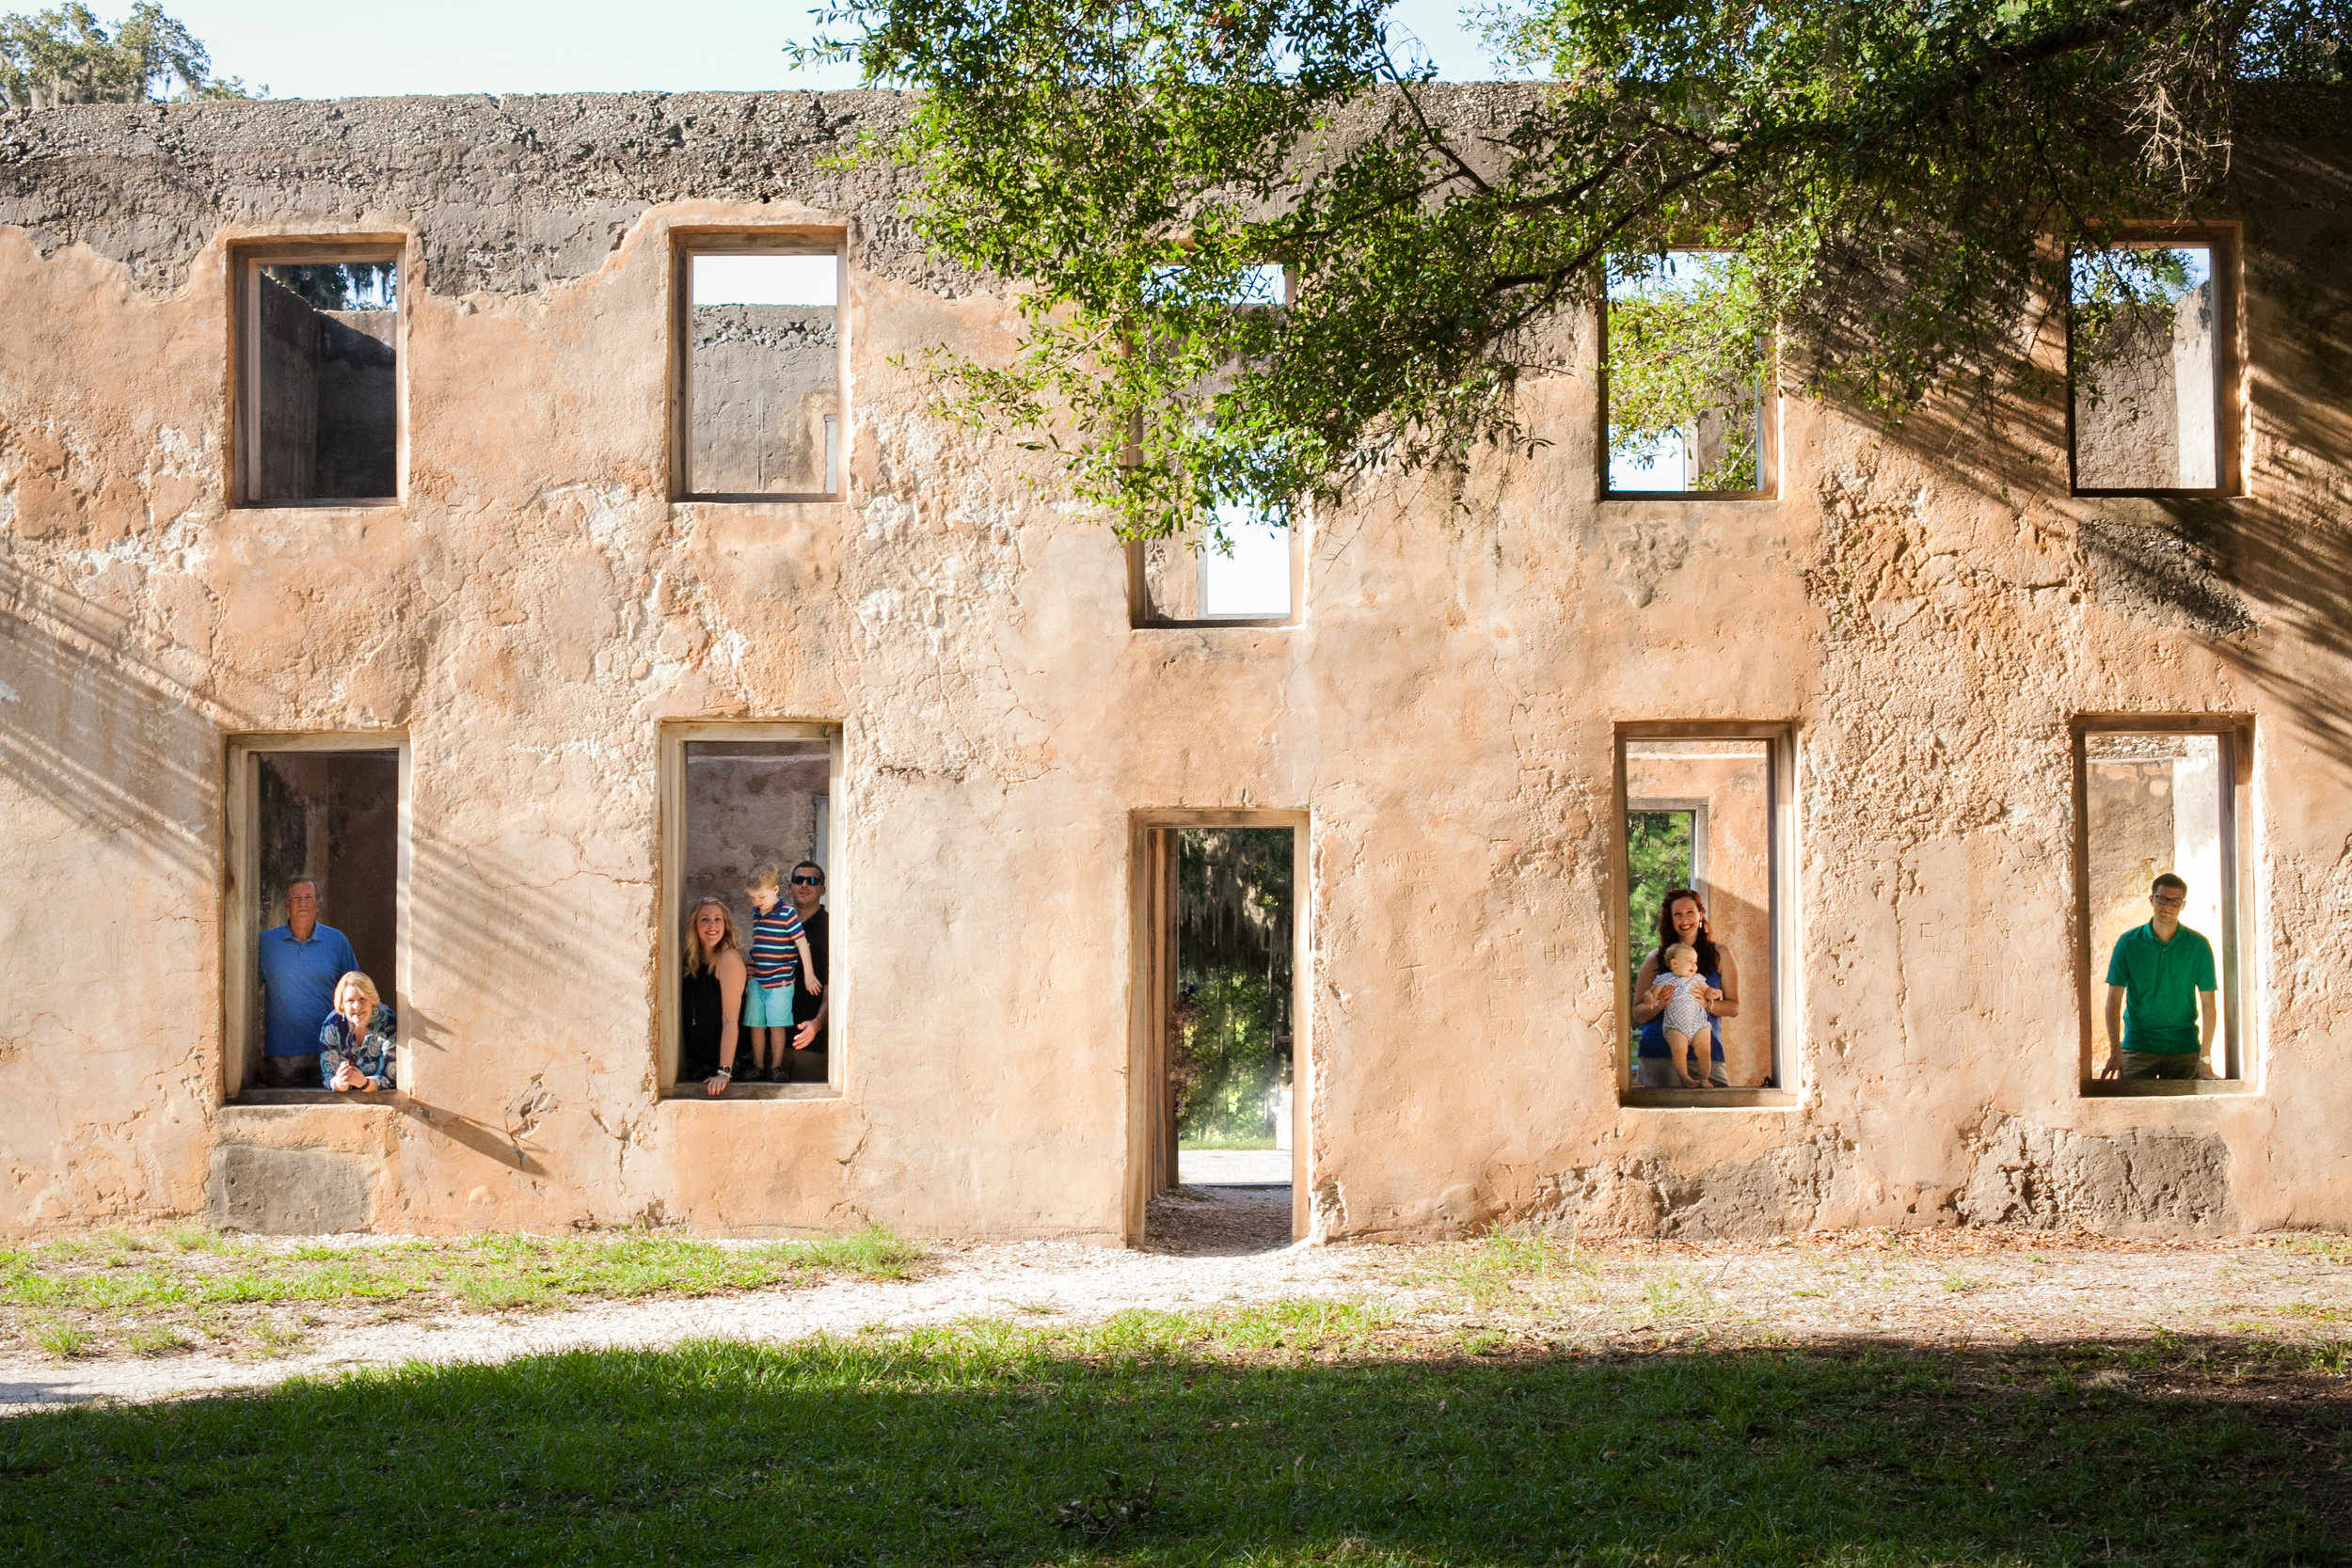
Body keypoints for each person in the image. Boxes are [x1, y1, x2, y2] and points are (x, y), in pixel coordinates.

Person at [2100, 872, 2218, 1081]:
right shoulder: (2128, 943)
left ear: (2183, 905)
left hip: (2184, 1048)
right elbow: (2113, 1000)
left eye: (2174, 902)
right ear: (2152, 900)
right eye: (2161, 899)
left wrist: (2205, 1059)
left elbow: (2208, 1004)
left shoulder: (2198, 945)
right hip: (2137, 1047)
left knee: (2186, 1112)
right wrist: (2115, 1051)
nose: (2167, 907)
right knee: (2131, 1112)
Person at [1630, 889, 1740, 1088]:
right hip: (1660, 1056)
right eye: (1677, 914)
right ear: (1670, 919)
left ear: (1701, 914)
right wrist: (1658, 1005)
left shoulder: (1720, 953)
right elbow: (1638, 1014)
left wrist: (1708, 1004)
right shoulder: (1655, 958)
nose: (1684, 920)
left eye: (1690, 912)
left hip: (1707, 1053)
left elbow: (1733, 1008)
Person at [257, 877, 359, 1089]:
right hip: (281, 1055)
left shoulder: (337, 941)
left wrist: (355, 1045)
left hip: (330, 1050)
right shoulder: (265, 943)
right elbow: (245, 996)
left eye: (308, 898)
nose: (302, 903)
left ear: (317, 905)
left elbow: (357, 992)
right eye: (296, 898)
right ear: (286, 905)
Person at [742, 865, 820, 1084]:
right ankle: (759, 1066)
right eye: (752, 897)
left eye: (761, 896)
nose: (757, 901)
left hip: (781, 981)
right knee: (756, 1024)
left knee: (777, 1024)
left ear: (775, 889)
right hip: (758, 979)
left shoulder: (787, 913)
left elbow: (802, 944)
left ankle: (776, 1066)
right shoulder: (756, 912)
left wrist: (809, 975)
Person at [682, 896, 749, 1097]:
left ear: (725, 925)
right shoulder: (690, 962)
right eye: (705, 919)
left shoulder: (728, 959)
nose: (712, 925)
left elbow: (730, 1020)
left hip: (726, 1067)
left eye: (718, 919)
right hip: (697, 1067)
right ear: (695, 925)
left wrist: (724, 1072)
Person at [1650, 942, 1723, 1088]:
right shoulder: (1665, 979)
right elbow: (1652, 993)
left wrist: (1713, 993)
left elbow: (1707, 990)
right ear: (1675, 963)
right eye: (1690, 962)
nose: (1694, 966)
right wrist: (1651, 999)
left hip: (1698, 1023)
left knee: (1704, 1050)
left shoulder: (1697, 978)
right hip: (1675, 1026)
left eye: (1695, 962)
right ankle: (1684, 1077)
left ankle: (1704, 1078)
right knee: (1679, 1050)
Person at [785, 860, 831, 1081]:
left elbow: (834, 988)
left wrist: (817, 1024)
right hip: (773, 1043)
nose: (804, 885)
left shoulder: (832, 928)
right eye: (798, 880)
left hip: (811, 1042)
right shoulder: (777, 924)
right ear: (790, 886)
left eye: (812, 881)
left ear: (822, 889)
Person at [317, 971, 397, 1092]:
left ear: (372, 1000)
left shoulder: (389, 1024)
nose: (357, 1006)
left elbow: (389, 1078)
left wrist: (364, 1083)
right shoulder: (332, 1025)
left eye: (363, 999)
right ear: (342, 1004)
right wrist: (338, 1084)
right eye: (350, 1001)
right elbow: (327, 1075)